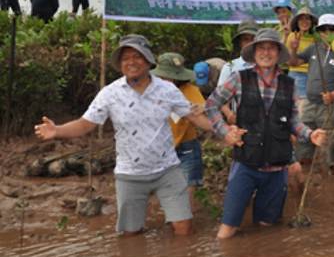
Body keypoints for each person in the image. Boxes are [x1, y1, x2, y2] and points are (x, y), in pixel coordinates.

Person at [34, 34, 216, 236]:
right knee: (131, 235)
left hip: (168, 170)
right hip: (130, 174)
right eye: (125, 58)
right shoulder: (110, 93)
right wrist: (57, 130)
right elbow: (85, 124)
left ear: (148, 60)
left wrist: (225, 131)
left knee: (183, 228)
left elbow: (194, 117)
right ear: (120, 64)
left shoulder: (168, 90)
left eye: (137, 56)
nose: (131, 62)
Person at [205, 28, 327, 239]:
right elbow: (211, 105)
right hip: (246, 163)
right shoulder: (238, 78)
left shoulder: (290, 85)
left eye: (271, 48)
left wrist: (309, 134)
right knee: (226, 232)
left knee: (268, 231)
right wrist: (225, 132)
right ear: (254, 53)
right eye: (261, 48)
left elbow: (293, 121)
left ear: (278, 53)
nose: (266, 53)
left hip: (277, 169)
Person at [289, 14, 334, 173]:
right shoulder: (314, 48)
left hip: (330, 106)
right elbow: (294, 62)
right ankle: (306, 175)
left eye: (331, 29)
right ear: (319, 32)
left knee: (333, 141)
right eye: (323, 30)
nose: (327, 32)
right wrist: (293, 49)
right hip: (310, 103)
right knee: (304, 139)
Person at [152, 52, 206, 204]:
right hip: (162, 146)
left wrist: (203, 108)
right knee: (166, 188)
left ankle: (184, 220)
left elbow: (201, 114)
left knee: (186, 190)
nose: (166, 80)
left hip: (187, 146)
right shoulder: (150, 90)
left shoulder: (190, 90)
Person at [217, 19, 259, 124]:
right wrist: (229, 114)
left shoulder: (268, 66)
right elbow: (220, 97)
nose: (249, 43)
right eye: (246, 39)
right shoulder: (230, 67)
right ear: (240, 42)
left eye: (253, 39)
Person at [285, 6, 318, 105]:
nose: (304, 21)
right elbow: (288, 61)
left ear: (311, 22)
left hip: (314, 75)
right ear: (297, 22)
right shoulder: (292, 36)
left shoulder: (317, 37)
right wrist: (294, 49)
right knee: (300, 106)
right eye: (301, 19)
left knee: (314, 105)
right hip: (297, 74)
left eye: (307, 18)